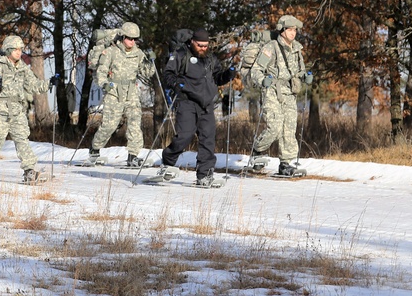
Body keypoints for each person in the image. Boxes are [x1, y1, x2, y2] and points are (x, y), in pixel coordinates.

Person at [157, 28, 235, 186]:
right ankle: (167, 162)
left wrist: (228, 75)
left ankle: (204, 174)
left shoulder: (210, 59)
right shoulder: (181, 55)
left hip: (206, 105)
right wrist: (177, 84)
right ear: (192, 42)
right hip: (187, 101)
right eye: (200, 45)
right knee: (185, 136)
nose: (203, 48)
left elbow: (218, 78)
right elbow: (168, 74)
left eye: (206, 46)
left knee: (208, 139)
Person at [0, 35, 48, 182]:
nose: (19, 52)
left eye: (20, 49)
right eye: (15, 50)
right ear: (8, 50)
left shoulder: (23, 68)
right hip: (0, 110)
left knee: (22, 140)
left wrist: (49, 83)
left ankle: (29, 172)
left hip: (16, 110)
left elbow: (34, 84)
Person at [250, 14, 311, 177]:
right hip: (272, 91)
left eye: (295, 30)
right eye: (290, 30)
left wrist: (305, 76)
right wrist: (263, 81)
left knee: (289, 128)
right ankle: (258, 150)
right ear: (282, 30)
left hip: (290, 92)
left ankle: (286, 163)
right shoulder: (271, 47)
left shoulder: (297, 49)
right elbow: (255, 70)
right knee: (275, 126)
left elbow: (300, 70)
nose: (293, 33)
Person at [88, 21, 155, 167]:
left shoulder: (138, 53)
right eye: (129, 38)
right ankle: (95, 148)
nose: (132, 42)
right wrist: (104, 84)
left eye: (135, 39)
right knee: (110, 125)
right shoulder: (111, 51)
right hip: (114, 91)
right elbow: (101, 71)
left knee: (135, 122)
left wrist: (151, 61)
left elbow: (147, 73)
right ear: (123, 37)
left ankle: (133, 156)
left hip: (131, 92)